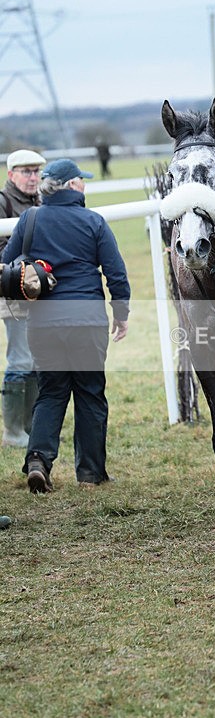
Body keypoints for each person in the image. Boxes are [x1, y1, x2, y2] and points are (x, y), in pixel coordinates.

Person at [1, 158, 130, 492]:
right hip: (86, 320)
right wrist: (122, 313)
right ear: (72, 185)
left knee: (51, 392)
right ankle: (90, 474)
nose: (84, 185)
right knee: (90, 393)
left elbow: (5, 264)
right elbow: (116, 273)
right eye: (81, 181)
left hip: (43, 323)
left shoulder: (29, 219)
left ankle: (38, 461)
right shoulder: (93, 221)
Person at [0, 148, 46, 448]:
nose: (32, 177)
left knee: (35, 359)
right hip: (12, 290)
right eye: (26, 172)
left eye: (36, 171)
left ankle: (29, 426)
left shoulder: (40, 201)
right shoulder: (3, 201)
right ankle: (13, 431)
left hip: (38, 291)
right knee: (20, 357)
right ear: (11, 174)